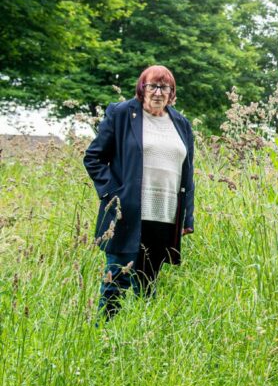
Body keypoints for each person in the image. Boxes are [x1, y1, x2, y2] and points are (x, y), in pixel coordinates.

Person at [83, 65, 195, 318]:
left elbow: (187, 173)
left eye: (164, 87)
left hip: (164, 215)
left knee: (147, 285)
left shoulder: (181, 124)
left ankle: (139, 340)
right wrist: (113, 195)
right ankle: (105, 334)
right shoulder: (122, 114)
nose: (158, 92)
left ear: (172, 92)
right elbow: (94, 157)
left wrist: (187, 217)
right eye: (152, 86)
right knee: (117, 279)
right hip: (127, 212)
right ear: (141, 89)